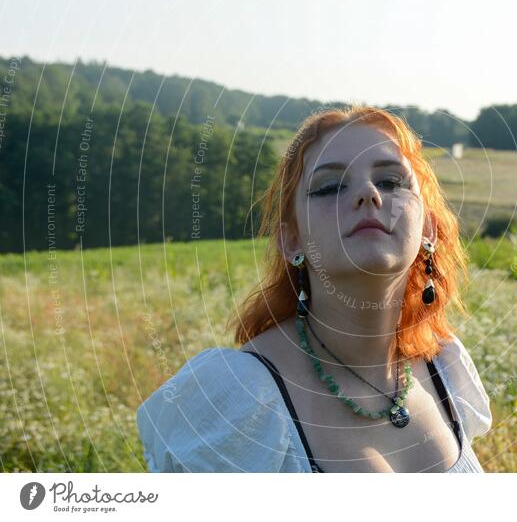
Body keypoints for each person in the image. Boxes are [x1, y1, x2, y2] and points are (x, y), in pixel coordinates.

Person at [136, 105, 492, 472]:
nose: (368, 194)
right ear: (292, 242)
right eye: (330, 187)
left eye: (390, 181)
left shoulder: (444, 367)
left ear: (428, 230)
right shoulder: (243, 399)